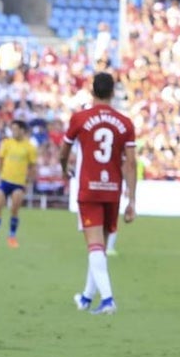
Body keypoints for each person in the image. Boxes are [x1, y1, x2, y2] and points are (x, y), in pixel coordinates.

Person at [60, 72, 137, 316]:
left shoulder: (80, 119)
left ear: (92, 92)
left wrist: (64, 168)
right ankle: (85, 298)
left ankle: (107, 300)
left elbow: (64, 151)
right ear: (114, 93)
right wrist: (132, 199)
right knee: (99, 247)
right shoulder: (125, 123)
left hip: (89, 189)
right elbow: (131, 163)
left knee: (94, 246)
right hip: (112, 190)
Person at [0, 120, 37, 248]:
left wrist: (28, 182)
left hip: (19, 183)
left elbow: (32, 167)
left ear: (22, 130)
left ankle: (12, 237)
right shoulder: (6, 143)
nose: (13, 132)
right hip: (5, 180)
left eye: (16, 129)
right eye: (12, 129)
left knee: (14, 210)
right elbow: (0, 161)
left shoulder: (29, 147)